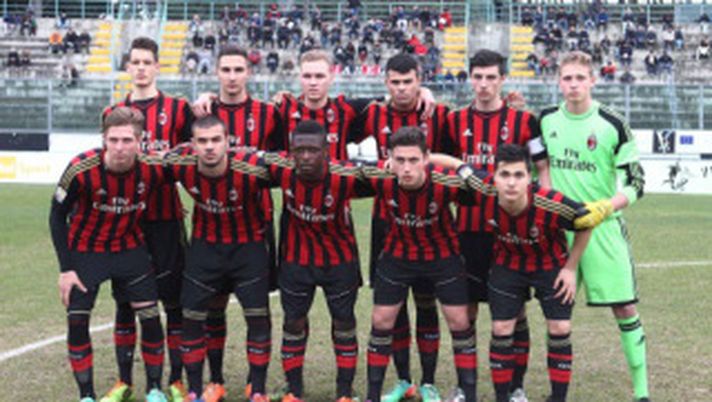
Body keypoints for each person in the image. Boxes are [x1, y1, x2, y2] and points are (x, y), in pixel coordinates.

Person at [428, 144, 601, 402]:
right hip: (507, 265)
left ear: (529, 178)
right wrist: (421, 159)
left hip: (549, 266)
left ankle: (557, 398)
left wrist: (570, 268)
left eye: (518, 175)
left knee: (560, 327)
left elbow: (585, 221)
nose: (511, 183)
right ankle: (504, 397)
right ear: (494, 176)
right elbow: (456, 164)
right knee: (501, 328)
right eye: (505, 175)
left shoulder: (549, 202)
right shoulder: (481, 187)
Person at [538, 51, 649, 402]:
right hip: (558, 232)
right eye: (567, 78)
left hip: (603, 229)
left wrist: (606, 206)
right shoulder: (545, 120)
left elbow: (636, 183)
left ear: (592, 81)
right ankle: (554, 394)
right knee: (556, 318)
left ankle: (642, 393)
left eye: (580, 78)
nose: (573, 84)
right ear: (559, 82)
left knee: (625, 309)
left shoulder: (612, 124)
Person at [445, 49, 550, 402]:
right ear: (470, 79)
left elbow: (542, 167)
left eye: (491, 77)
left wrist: (542, 212)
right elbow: (441, 163)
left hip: (511, 234)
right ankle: (466, 387)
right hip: (468, 231)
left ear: (503, 79)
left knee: (515, 313)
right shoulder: (454, 121)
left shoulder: (525, 121)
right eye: (478, 77)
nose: (484, 84)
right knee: (466, 313)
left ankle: (516, 387)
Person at [49, 107, 169, 402]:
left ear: (139, 141)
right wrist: (66, 269)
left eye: (127, 140)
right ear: (104, 139)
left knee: (150, 317)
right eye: (113, 140)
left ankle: (154, 389)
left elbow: (190, 162)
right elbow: (56, 216)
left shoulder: (153, 168)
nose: (119, 147)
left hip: (130, 249)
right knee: (78, 320)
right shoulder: (80, 169)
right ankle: (87, 395)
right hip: (86, 252)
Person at [353, 53, 450, 402]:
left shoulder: (439, 115)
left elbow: (455, 159)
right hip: (387, 223)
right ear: (386, 83)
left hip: (431, 224)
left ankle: (429, 382)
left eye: (408, 81)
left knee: (426, 304)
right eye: (395, 82)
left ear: (419, 81)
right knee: (392, 308)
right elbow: (331, 113)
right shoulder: (372, 113)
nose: (402, 88)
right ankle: (403, 381)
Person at [190, 45, 284, 401]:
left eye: (238, 69)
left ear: (249, 73)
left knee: (256, 310)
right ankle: (215, 381)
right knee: (212, 307)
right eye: (225, 69)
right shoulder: (201, 111)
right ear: (216, 72)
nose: (232, 76)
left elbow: (280, 162)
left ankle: (255, 385)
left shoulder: (268, 113)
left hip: (255, 227)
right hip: (209, 229)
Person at [102, 37, 193, 402]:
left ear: (157, 66)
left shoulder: (178, 109)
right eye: (135, 62)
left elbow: (193, 156)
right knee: (126, 303)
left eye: (146, 62)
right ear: (128, 67)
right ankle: (124, 381)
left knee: (173, 302)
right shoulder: (113, 111)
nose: (140, 68)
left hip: (167, 221)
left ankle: (175, 380)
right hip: (126, 224)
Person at [361, 127, 478, 402]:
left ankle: (444, 388)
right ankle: (377, 394)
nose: (406, 168)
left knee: (459, 322)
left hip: (442, 259)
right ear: (389, 159)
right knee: (381, 320)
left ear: (426, 158)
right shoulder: (380, 178)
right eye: (400, 160)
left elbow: (483, 184)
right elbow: (342, 169)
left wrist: (460, 165)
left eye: (414, 160)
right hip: (397, 257)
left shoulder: (446, 182)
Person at [262, 121, 375, 402]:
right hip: (296, 261)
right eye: (299, 150)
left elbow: (390, 173)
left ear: (326, 150)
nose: (305, 156)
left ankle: (344, 392)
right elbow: (238, 158)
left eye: (313, 150)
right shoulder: (281, 169)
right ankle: (294, 391)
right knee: (293, 322)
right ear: (291, 151)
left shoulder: (347, 175)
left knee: (344, 322)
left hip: (340, 262)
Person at [163, 116, 273, 402]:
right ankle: (201, 389)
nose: (209, 147)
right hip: (205, 249)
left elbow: (295, 167)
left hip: (248, 249)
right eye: (202, 141)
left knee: (258, 319)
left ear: (227, 142)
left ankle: (257, 390)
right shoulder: (178, 163)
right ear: (193, 144)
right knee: (193, 318)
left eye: (215, 140)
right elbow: (143, 167)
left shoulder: (253, 167)